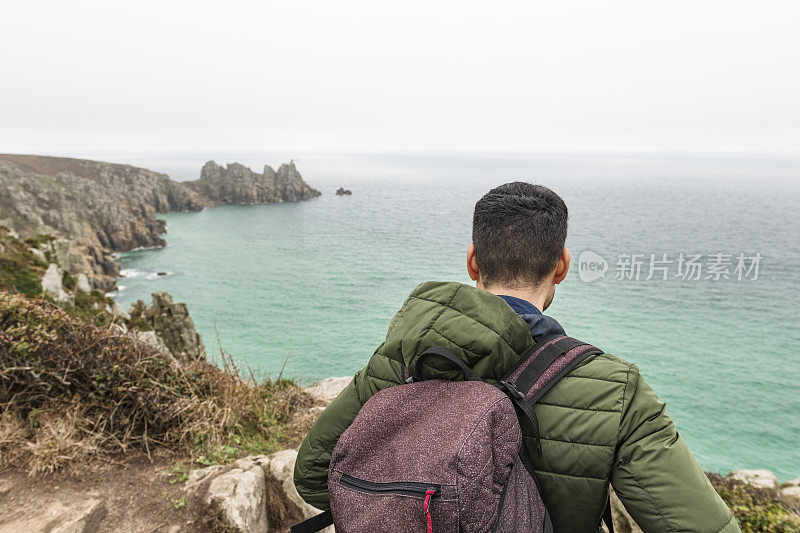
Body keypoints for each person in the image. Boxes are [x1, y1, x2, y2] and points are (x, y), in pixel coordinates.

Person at [294, 182, 739, 532]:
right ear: (562, 266)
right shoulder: (615, 390)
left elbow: (314, 475)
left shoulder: (402, 360)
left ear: (472, 262)